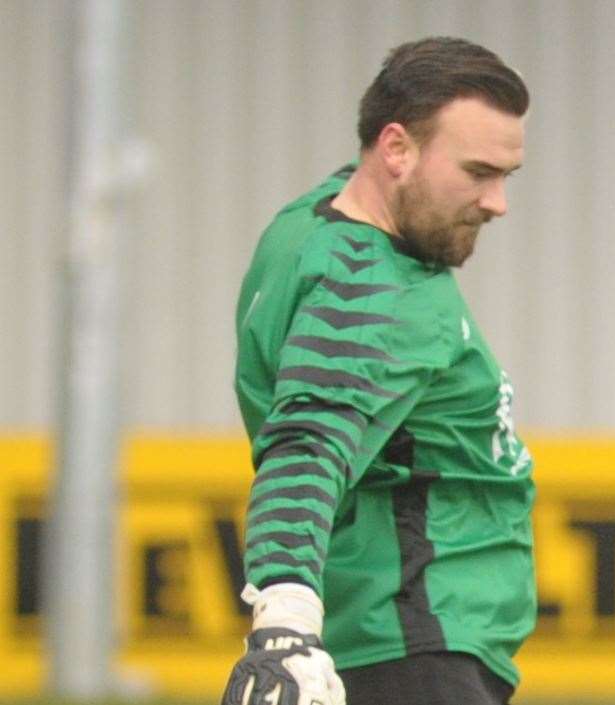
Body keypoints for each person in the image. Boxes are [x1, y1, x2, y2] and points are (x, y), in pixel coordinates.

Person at [222, 37, 535, 705]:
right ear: (395, 148)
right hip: (412, 641)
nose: (496, 201)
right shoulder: (370, 295)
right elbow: (308, 442)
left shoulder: (316, 220)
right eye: (478, 171)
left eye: (507, 175)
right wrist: (284, 620)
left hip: (408, 633)